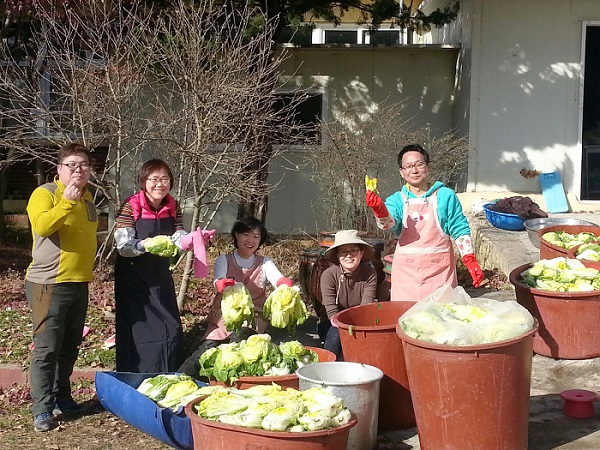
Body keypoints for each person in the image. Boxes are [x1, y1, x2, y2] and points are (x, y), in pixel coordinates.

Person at [25, 143, 98, 432]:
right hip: (49, 283)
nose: (79, 169)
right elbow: (42, 226)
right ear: (60, 170)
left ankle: (62, 398)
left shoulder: (89, 197)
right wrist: (65, 201)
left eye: (84, 165)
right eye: (72, 165)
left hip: (79, 283)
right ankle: (42, 409)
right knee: (47, 348)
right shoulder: (44, 194)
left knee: (70, 346)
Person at [366, 144, 485, 302]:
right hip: (406, 276)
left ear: (428, 167)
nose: (414, 170)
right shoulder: (397, 200)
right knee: (408, 319)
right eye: (408, 166)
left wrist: (469, 259)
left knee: (442, 318)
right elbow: (389, 225)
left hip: (440, 274)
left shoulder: (445, 196)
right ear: (401, 172)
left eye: (419, 164)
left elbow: (459, 228)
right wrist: (380, 210)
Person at [178, 217, 292, 376]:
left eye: (256, 237)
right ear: (236, 235)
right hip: (223, 316)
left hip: (253, 316)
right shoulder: (224, 260)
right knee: (206, 350)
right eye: (246, 234)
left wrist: (283, 284)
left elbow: (277, 278)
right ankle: (180, 377)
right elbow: (218, 279)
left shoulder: (265, 262)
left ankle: (228, 382)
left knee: (239, 342)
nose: (250, 240)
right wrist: (220, 284)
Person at [114, 158, 189, 373]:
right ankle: (136, 378)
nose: (160, 184)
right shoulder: (132, 205)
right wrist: (144, 244)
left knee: (170, 328)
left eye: (164, 179)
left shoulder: (172, 205)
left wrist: (191, 240)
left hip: (160, 276)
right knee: (138, 332)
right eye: (154, 179)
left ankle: (168, 373)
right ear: (143, 181)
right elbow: (123, 244)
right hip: (133, 279)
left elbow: (178, 235)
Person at [319, 230, 378, 360]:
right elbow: (331, 312)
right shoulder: (328, 275)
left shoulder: (370, 273)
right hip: (333, 323)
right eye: (343, 252)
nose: (348, 256)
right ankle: (326, 371)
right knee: (335, 338)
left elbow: (366, 308)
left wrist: (356, 328)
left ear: (361, 253)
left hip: (360, 321)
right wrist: (346, 329)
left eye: (353, 251)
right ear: (337, 255)